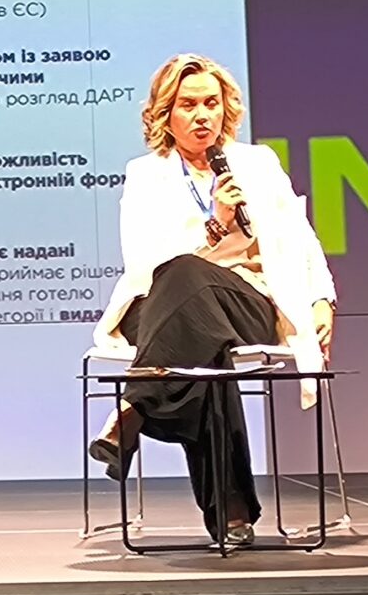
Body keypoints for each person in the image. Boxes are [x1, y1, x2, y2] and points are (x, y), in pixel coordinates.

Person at [88, 53, 337, 546]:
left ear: (227, 108)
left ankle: (135, 406)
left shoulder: (258, 164)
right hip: (158, 304)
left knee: (200, 326)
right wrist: (216, 224)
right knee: (191, 299)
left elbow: (300, 237)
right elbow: (145, 260)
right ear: (165, 115)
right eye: (188, 105)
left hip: (247, 299)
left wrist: (322, 298)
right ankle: (233, 513)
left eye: (211, 103)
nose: (202, 115)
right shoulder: (146, 173)